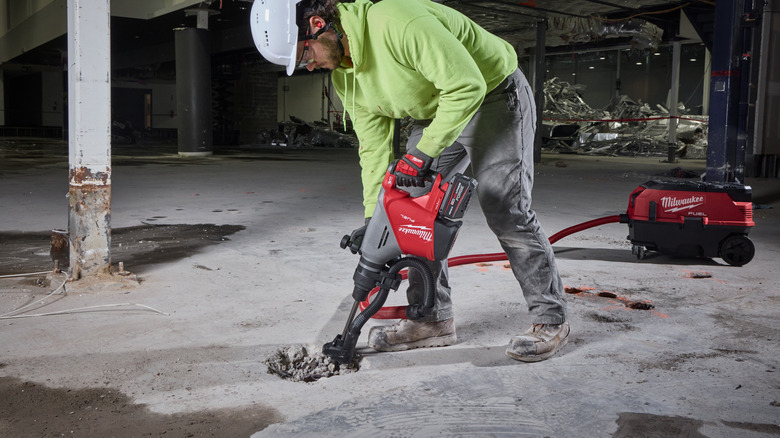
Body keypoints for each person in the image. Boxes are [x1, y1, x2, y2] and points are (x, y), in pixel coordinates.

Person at [251, 0, 569, 362]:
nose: (309, 65)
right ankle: (432, 319)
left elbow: (467, 85)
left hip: (493, 94)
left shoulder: (397, 23)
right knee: (411, 209)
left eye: (304, 53)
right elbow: (373, 149)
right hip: (436, 111)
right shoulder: (346, 76)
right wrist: (375, 219)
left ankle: (550, 319)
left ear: (318, 24)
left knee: (503, 205)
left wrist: (424, 152)